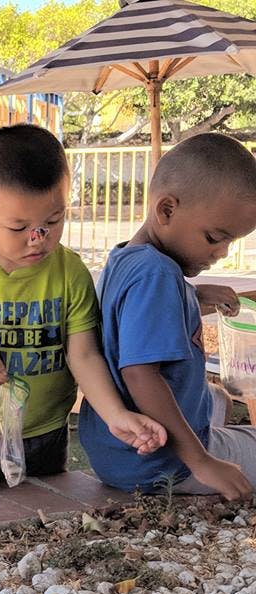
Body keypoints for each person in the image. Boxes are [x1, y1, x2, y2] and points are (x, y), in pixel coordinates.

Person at [0, 124, 166, 482]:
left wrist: (116, 414)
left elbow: (83, 355)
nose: (38, 239)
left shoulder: (71, 274)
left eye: (53, 221)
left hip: (47, 431)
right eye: (18, 227)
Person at [80, 133, 256, 501]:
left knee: (218, 400)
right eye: (214, 238)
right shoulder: (157, 274)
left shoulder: (127, 258)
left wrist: (194, 296)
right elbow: (140, 373)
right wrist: (202, 462)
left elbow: (133, 315)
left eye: (231, 242)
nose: (222, 253)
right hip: (160, 464)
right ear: (167, 211)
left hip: (116, 455)